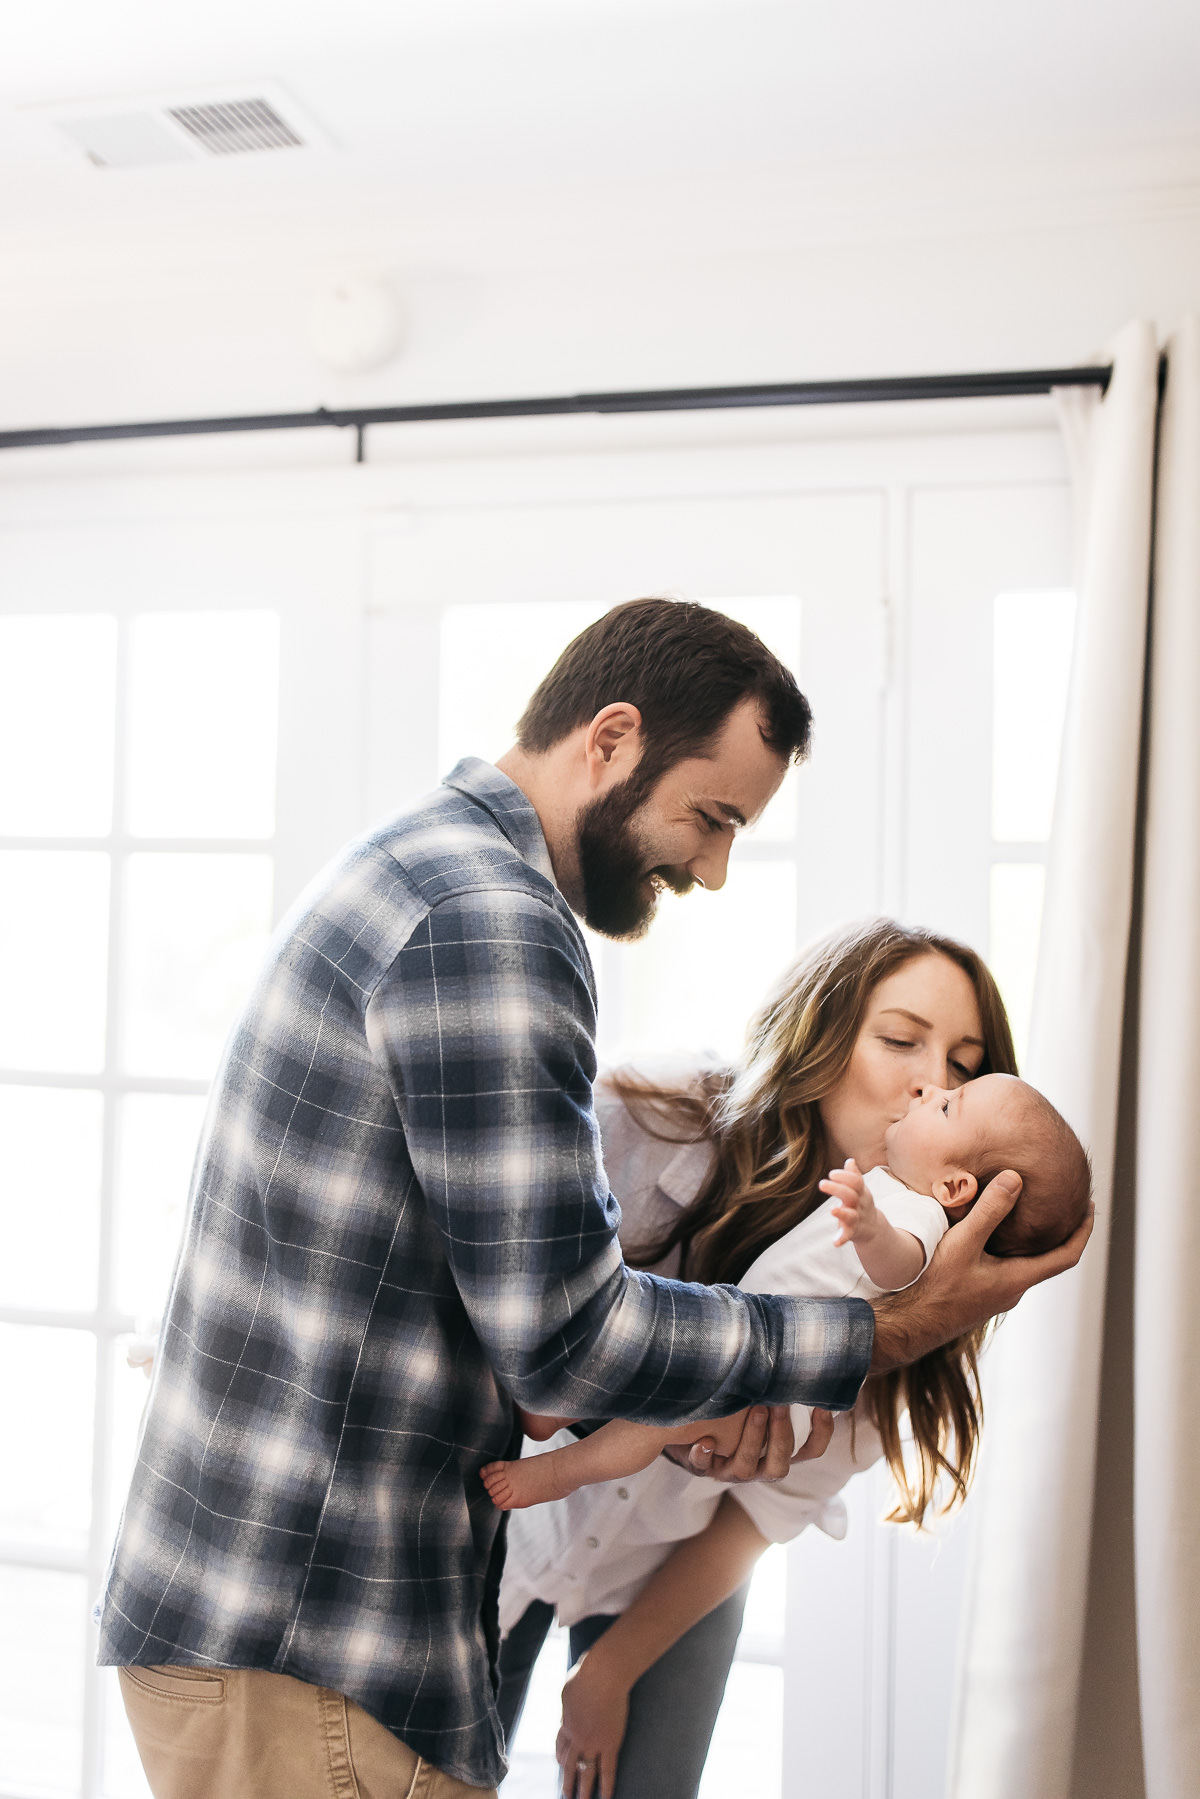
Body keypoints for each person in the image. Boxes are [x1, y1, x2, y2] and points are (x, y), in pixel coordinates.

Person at [97, 600, 1088, 1799]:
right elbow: (568, 1344)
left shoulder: (426, 864)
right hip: (324, 1624)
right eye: (712, 816)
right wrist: (879, 1330)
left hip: (280, 1605)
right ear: (611, 738)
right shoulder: (494, 925)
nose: (712, 869)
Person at [496, 921, 1091, 1799]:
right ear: (821, 1033)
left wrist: (606, 1676)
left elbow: (753, 1521)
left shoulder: (918, 1305)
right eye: (899, 1039)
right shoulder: (647, 1117)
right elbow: (509, 1308)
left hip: (676, 1556)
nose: (934, 1079)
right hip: (511, 1519)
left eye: (965, 1067)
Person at [480, 1071, 1090, 1512]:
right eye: (902, 1044)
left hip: (777, 1398)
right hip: (761, 1356)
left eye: (949, 1105)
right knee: (655, 1374)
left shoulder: (923, 1220)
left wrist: (871, 1227)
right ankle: (558, 1405)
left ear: (956, 1186)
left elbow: (901, 1270)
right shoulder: (893, 1187)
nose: (927, 1087)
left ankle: (559, 1471)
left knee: (654, 1419)